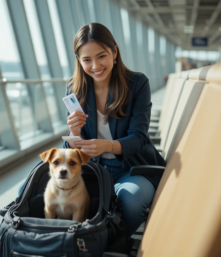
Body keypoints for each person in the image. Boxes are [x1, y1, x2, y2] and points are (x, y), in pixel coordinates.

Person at [63, 23, 166, 238]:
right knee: (47, 193)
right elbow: (72, 147)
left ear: (115, 52)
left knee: (131, 201)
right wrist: (74, 133)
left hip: (132, 167)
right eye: (87, 60)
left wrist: (108, 146)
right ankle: (78, 243)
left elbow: (139, 138)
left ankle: (106, 244)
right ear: (79, 61)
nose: (95, 66)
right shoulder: (75, 88)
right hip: (93, 168)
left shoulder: (137, 83)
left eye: (102, 56)